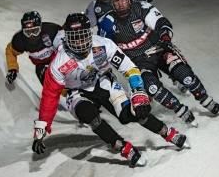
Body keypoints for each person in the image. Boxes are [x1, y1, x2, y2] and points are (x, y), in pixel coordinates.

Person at [31, 13, 190, 167]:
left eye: (83, 36)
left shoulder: (104, 45)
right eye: (74, 38)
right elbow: (50, 96)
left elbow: (128, 67)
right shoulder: (58, 63)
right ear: (66, 38)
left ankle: (167, 132)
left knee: (132, 113)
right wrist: (42, 125)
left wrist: (138, 90)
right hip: (76, 92)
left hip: (103, 81)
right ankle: (120, 145)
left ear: (90, 33)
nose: (79, 42)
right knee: (87, 114)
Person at [97, 0, 219, 127]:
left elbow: (161, 23)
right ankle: (180, 110)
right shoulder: (107, 22)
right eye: (116, 1)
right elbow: (105, 50)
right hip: (139, 62)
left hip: (158, 49)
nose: (120, 4)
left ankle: (206, 100)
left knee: (185, 76)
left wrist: (165, 38)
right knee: (152, 87)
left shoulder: (141, 8)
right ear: (111, 2)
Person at [5, 11, 65, 85]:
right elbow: (10, 51)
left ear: (40, 27)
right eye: (28, 32)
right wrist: (12, 68)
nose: (31, 36)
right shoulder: (19, 40)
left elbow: (65, 46)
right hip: (41, 65)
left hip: (58, 61)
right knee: (50, 85)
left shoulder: (53, 31)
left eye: (35, 31)